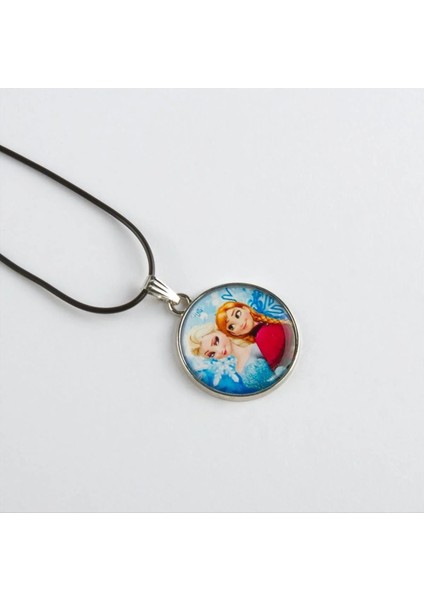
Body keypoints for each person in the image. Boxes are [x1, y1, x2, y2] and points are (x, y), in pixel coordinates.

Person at [215, 301, 294, 370]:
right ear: (234, 334)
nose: (240, 324)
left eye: (237, 315)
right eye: (232, 326)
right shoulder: (261, 336)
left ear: (246, 309)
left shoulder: (264, 333)